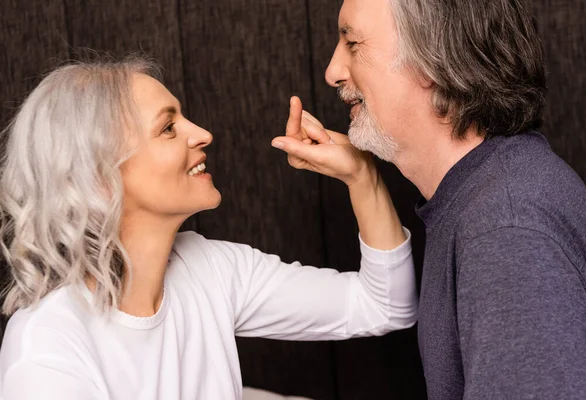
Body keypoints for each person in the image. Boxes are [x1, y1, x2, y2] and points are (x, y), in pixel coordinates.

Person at [0, 58, 418, 399]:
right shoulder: (47, 349)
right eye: (168, 128)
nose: (203, 134)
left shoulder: (209, 269)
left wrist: (362, 176)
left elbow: (385, 304)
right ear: (100, 178)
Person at [271, 0, 586, 399]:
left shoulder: (506, 230)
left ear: (433, 60)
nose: (332, 71)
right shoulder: (489, 196)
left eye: (353, 43)